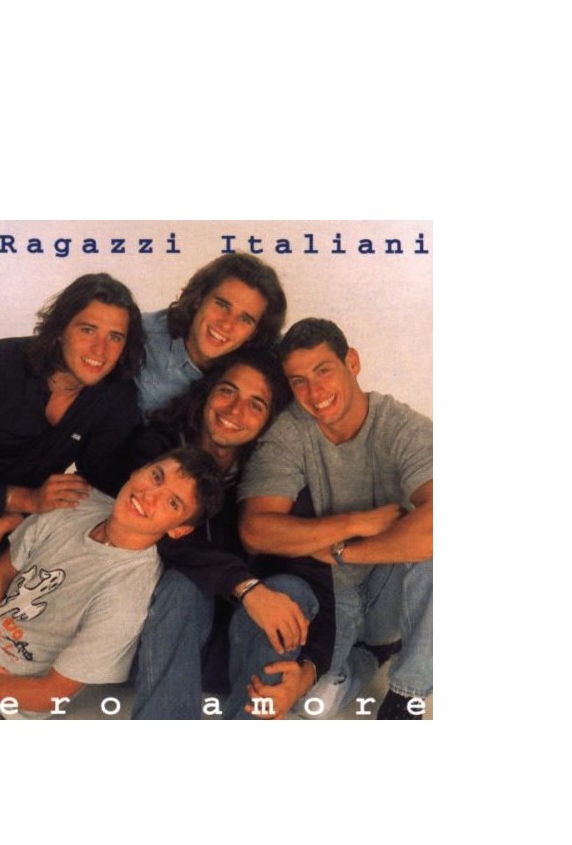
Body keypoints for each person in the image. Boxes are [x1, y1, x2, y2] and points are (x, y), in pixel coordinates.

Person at [112, 347, 337, 719]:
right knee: (182, 584)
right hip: (158, 644)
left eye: (255, 404)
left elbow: (318, 583)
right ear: (207, 392)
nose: (235, 410)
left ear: (269, 421)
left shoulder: (275, 481)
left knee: (291, 589)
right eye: (228, 391)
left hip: (241, 653)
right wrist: (245, 586)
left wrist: (308, 672)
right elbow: (161, 537)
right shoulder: (158, 451)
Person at [231, 317, 433, 720]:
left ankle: (405, 697)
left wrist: (344, 552)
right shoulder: (289, 432)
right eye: (299, 381)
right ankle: (374, 656)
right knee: (313, 707)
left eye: (323, 370)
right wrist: (356, 523)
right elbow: (255, 530)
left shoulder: (400, 426)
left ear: (352, 362)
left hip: (387, 585)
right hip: (329, 594)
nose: (315, 391)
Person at [0, 273, 146, 640]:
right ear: (60, 328)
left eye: (115, 337)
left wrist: (12, 516)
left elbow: (101, 480)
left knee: (26, 628)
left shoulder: (114, 394)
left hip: (17, 518)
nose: (100, 350)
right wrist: (24, 499)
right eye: (88, 330)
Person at [0, 449, 224, 716]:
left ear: (179, 530)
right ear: (139, 470)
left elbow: (50, 694)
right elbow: (0, 572)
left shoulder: (127, 596)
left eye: (172, 503)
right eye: (156, 477)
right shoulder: (77, 502)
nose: (150, 496)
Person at [136, 252, 287, 418]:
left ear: (255, 332)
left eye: (245, 319)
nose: (226, 324)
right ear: (198, 299)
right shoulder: (139, 335)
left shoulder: (268, 362)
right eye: (222, 305)